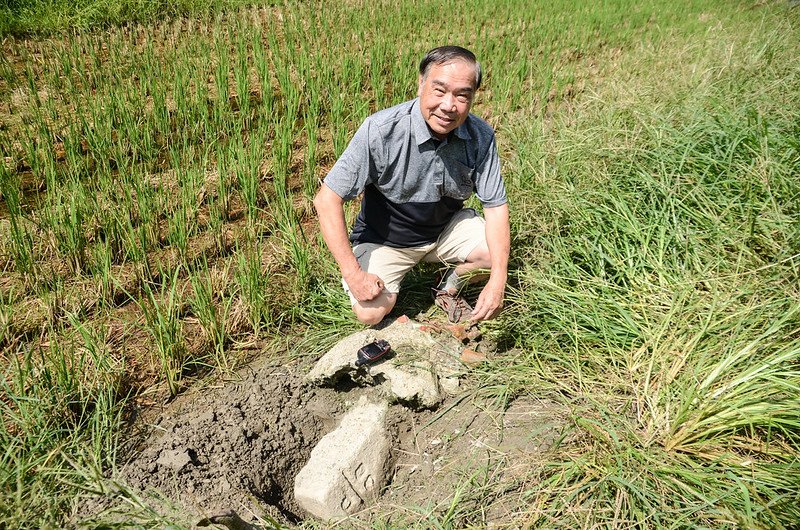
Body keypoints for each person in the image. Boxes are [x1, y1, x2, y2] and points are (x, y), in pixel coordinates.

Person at [313, 46, 510, 326]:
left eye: (462, 95)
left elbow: (496, 207)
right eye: (439, 91)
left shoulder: (480, 136)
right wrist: (354, 275)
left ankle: (448, 283)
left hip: (443, 230)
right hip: (386, 241)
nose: (448, 106)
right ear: (421, 84)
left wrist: (497, 281)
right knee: (370, 312)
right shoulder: (381, 130)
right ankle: (392, 278)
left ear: (473, 97)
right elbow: (326, 199)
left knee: (496, 256)